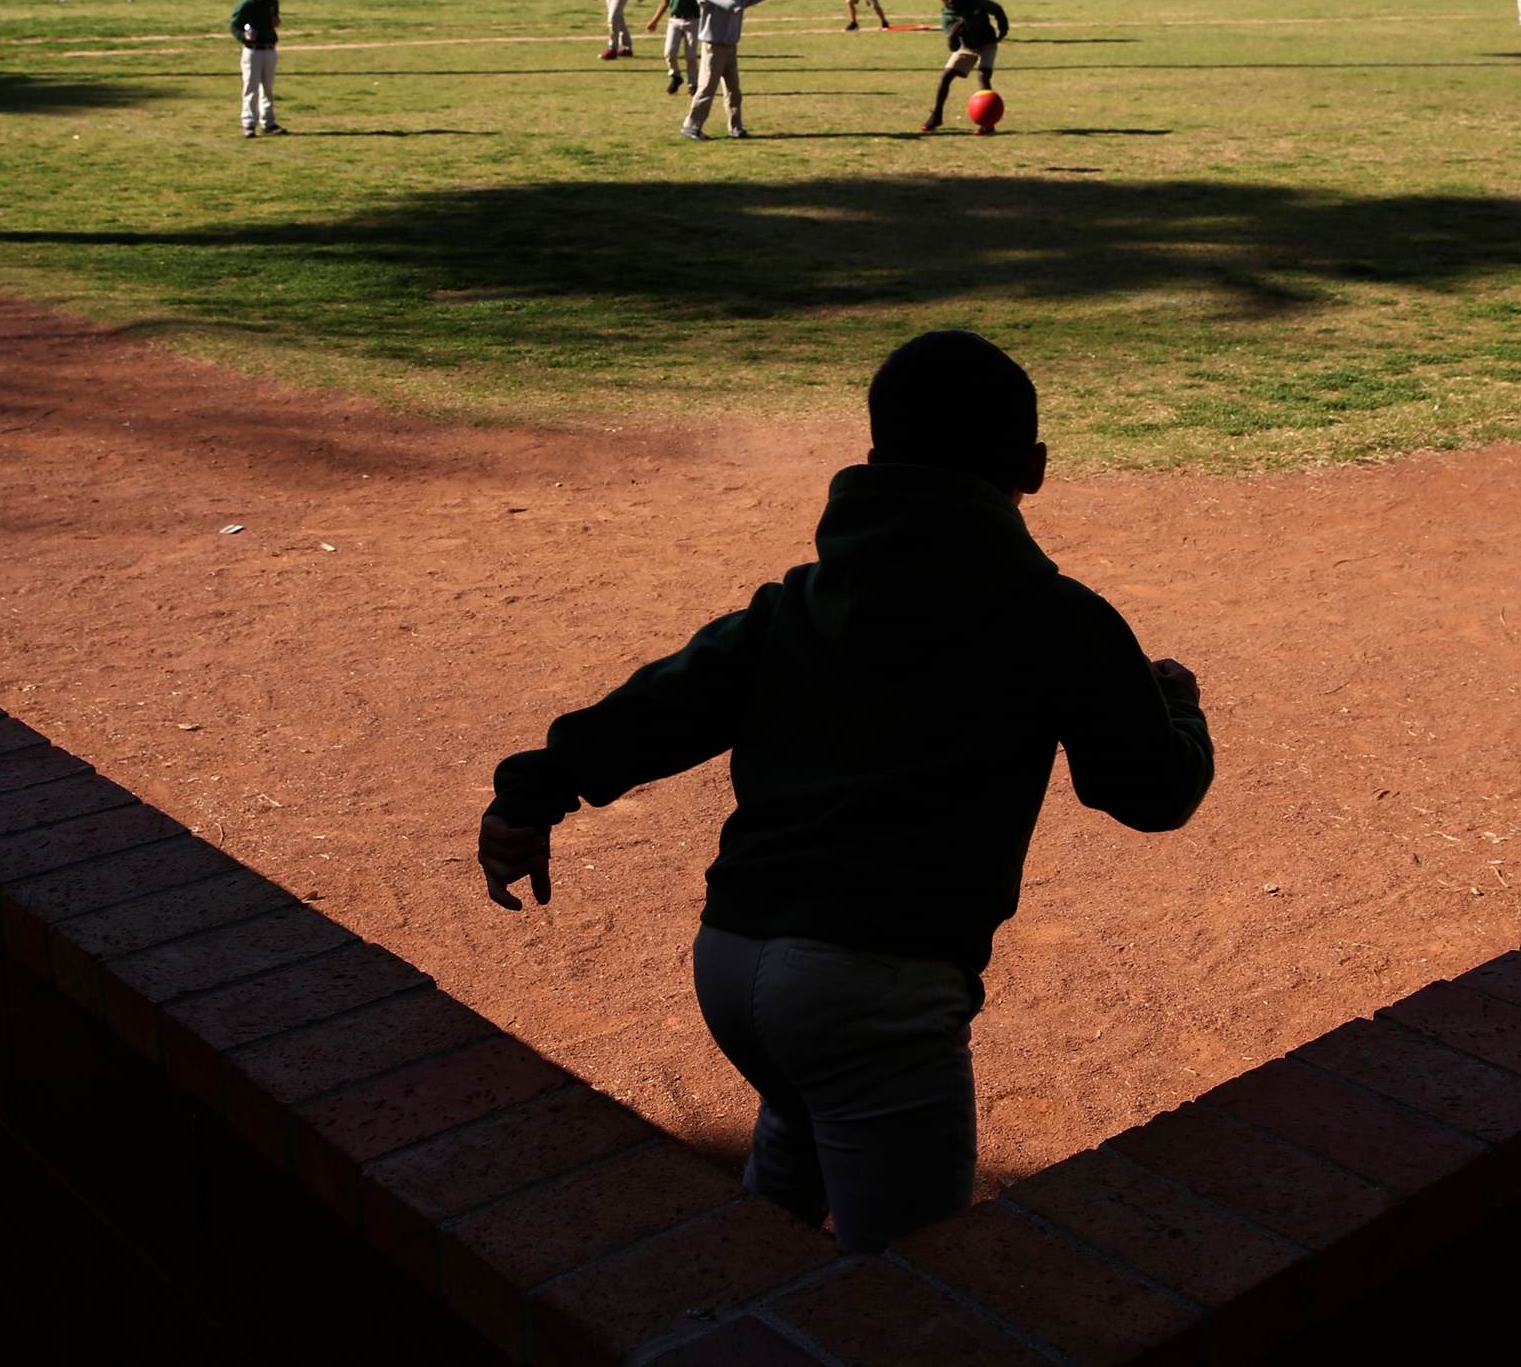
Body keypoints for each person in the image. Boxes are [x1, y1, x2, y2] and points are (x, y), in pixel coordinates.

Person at [478, 328, 1212, 1256]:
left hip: (733, 961)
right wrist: (1178, 703)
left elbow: (655, 712)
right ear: (1033, 469)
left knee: (787, 1171)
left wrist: (529, 795)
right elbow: (1150, 792)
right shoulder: (1055, 616)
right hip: (875, 990)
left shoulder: (797, 601)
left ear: (872, 460)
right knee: (913, 1284)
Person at [679, 0, 805, 141]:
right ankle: (691, 126)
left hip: (730, 48)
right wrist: (733, 6)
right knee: (707, 89)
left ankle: (735, 127)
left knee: (734, 90)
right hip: (713, 49)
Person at [922, 0, 1008, 133]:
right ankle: (937, 115)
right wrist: (952, 37)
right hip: (967, 47)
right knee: (946, 77)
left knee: (983, 77)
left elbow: (997, 9)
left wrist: (1003, 29)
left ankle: (988, 122)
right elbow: (954, 48)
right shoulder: (947, 17)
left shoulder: (976, 3)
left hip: (987, 44)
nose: (950, 2)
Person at [231, 0, 286, 137]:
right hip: (253, 51)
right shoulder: (245, 6)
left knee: (268, 88)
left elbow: (273, 19)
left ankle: (268, 121)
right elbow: (234, 25)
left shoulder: (271, 2)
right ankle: (248, 123)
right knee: (251, 87)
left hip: (269, 49)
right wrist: (244, 36)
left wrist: (275, 21)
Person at [647, 0, 703, 96]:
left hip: (693, 21)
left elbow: (708, 2)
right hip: (675, 21)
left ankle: (694, 84)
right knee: (669, 52)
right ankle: (676, 75)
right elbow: (665, 2)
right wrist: (655, 20)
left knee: (691, 55)